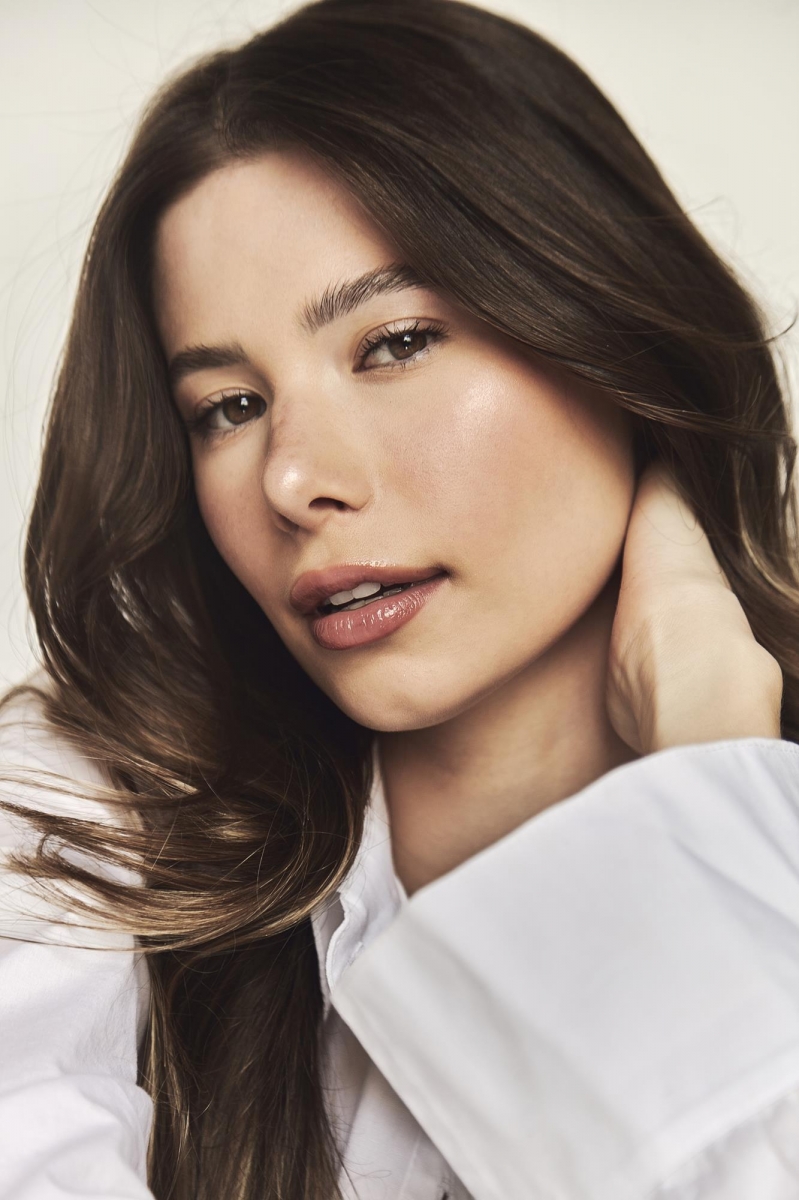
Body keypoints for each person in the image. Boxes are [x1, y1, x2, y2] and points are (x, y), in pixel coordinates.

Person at [0, 0, 798, 1196]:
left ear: (607, 329)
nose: (293, 479)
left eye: (396, 343)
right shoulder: (84, 825)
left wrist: (710, 774)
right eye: (228, 407)